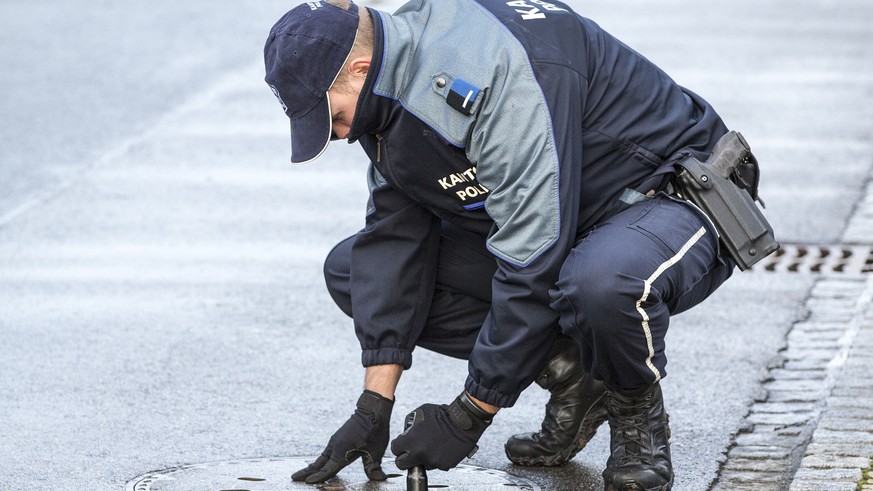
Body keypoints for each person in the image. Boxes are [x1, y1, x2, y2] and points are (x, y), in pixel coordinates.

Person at [263, 0, 738, 489]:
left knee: (601, 283)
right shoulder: (388, 81)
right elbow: (394, 243)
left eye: (335, 117)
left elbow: (531, 257)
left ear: (361, 69)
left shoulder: (491, 72)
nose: (339, 135)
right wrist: (373, 406)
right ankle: (577, 374)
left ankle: (638, 420)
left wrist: (468, 416)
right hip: (571, 214)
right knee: (352, 269)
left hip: (672, 194)